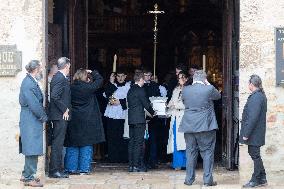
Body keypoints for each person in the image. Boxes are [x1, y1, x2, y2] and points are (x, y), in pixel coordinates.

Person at [179, 70, 221, 187]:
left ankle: (189, 179)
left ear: (193, 79)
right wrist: (208, 84)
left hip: (189, 125)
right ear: (204, 79)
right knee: (207, 152)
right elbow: (218, 96)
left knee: (190, 152)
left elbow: (184, 102)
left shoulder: (185, 89)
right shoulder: (208, 88)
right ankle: (207, 180)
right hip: (205, 126)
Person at [64, 69, 105, 174]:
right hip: (87, 119)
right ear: (86, 78)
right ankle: (84, 169)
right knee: (86, 144)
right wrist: (93, 72)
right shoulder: (88, 87)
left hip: (73, 119)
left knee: (72, 143)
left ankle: (71, 168)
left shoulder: (70, 87)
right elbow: (100, 80)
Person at [19, 60, 48, 187]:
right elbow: (34, 104)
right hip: (30, 118)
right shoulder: (28, 83)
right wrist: (43, 116)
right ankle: (28, 177)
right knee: (31, 147)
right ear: (35, 69)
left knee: (33, 147)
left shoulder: (30, 81)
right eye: (40, 69)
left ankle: (27, 174)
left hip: (31, 118)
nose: (41, 71)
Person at [240, 75, 267, 188]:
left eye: (248, 83)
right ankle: (262, 177)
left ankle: (255, 179)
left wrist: (246, 134)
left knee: (255, 155)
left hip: (254, 133)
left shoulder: (256, 97)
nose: (248, 85)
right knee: (255, 154)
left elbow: (253, 117)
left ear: (252, 84)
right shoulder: (259, 95)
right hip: (256, 132)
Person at [127, 72, 156, 172]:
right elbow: (146, 105)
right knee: (139, 143)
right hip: (139, 119)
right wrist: (153, 113)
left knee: (132, 142)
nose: (144, 81)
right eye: (143, 79)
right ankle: (136, 165)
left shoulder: (130, 89)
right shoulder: (140, 90)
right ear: (140, 80)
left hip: (131, 119)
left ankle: (131, 165)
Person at [48, 57, 71, 178]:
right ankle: (54, 170)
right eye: (69, 66)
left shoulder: (60, 77)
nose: (69, 68)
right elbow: (54, 96)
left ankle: (57, 169)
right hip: (59, 115)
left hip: (60, 115)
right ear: (67, 66)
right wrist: (65, 109)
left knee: (59, 142)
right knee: (57, 143)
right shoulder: (59, 78)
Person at [104, 70, 130, 163]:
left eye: (122, 76)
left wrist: (120, 102)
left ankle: (123, 157)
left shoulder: (129, 86)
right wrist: (112, 100)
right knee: (112, 136)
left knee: (123, 136)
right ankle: (113, 157)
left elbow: (131, 98)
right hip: (112, 114)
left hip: (123, 114)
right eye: (118, 76)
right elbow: (107, 95)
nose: (120, 78)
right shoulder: (112, 85)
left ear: (125, 76)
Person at [167, 71, 188, 170]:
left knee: (185, 141)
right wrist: (168, 105)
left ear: (186, 78)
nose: (180, 79)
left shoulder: (189, 89)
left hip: (184, 117)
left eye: (182, 77)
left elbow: (188, 103)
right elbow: (172, 100)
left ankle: (186, 163)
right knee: (176, 141)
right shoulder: (176, 89)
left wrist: (176, 105)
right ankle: (177, 164)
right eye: (179, 78)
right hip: (175, 117)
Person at [143, 69, 162, 169]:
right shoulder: (140, 85)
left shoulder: (155, 85)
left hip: (153, 116)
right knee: (144, 140)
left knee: (153, 139)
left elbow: (158, 98)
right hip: (143, 115)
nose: (148, 77)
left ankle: (153, 161)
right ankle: (144, 161)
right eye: (146, 75)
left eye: (149, 75)